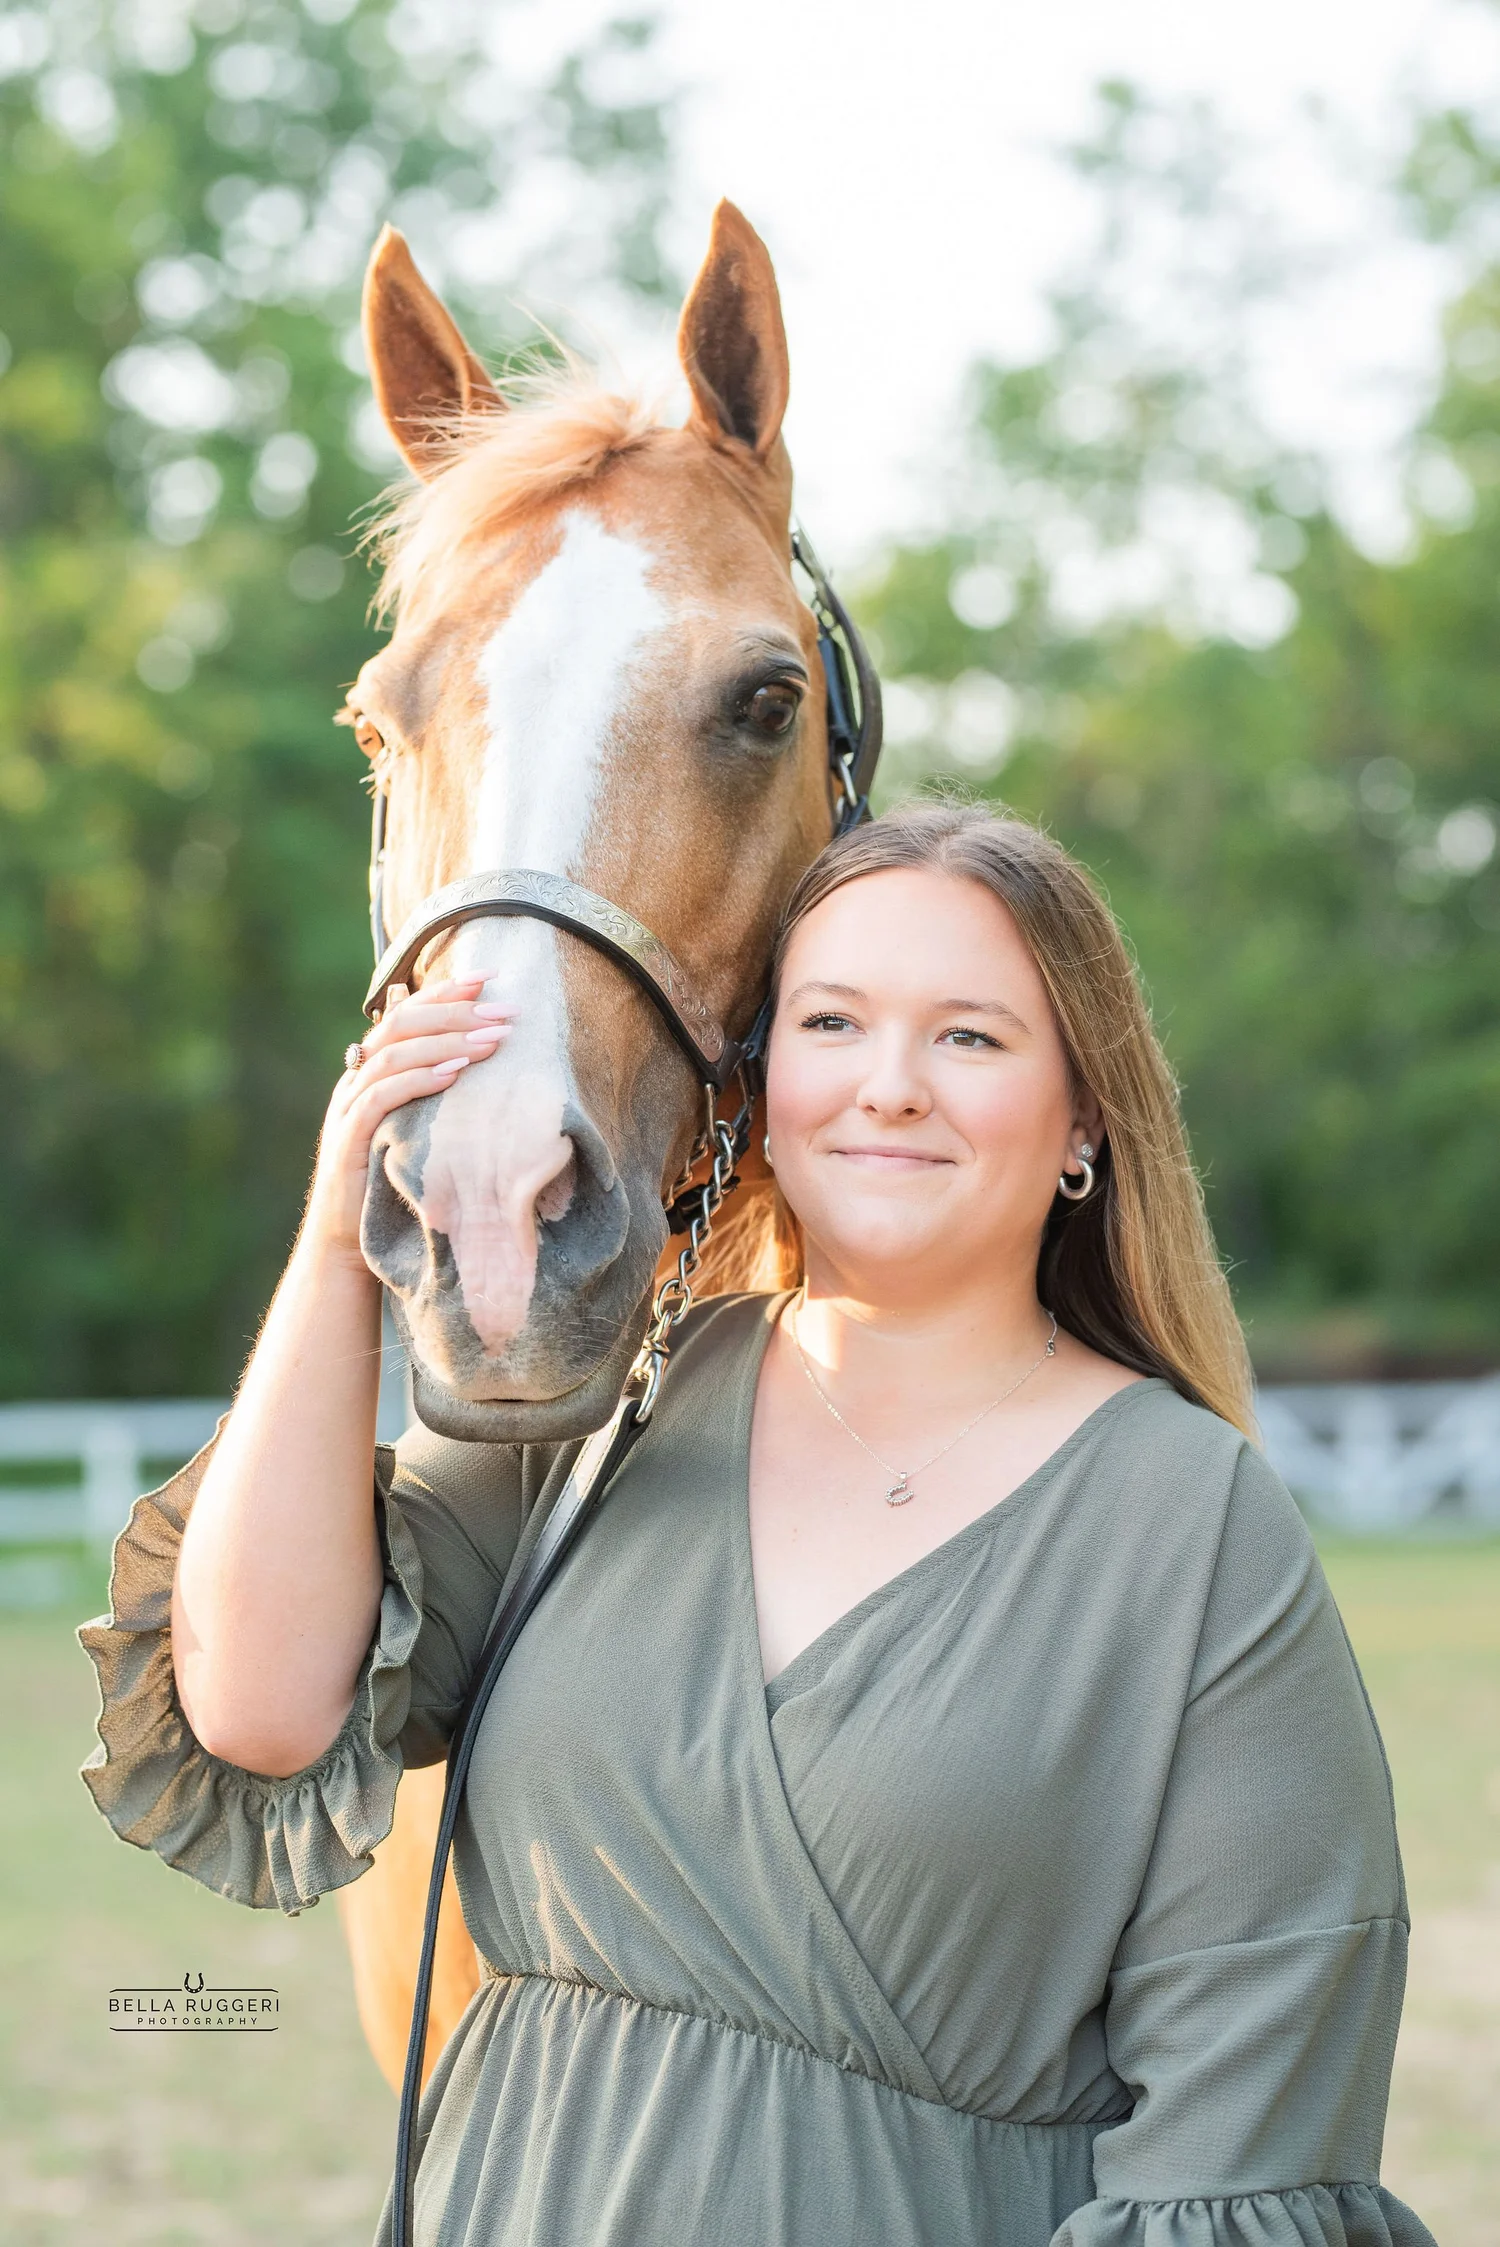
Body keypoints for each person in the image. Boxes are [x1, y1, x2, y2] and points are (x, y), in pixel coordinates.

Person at [80, 800, 1434, 2247]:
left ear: (1086, 1117)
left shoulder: (1192, 1524)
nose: (890, 1088)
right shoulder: (608, 1408)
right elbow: (262, 1705)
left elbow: (1243, 2160)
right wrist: (349, 1220)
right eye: (832, 1022)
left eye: (970, 1037)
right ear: (763, 1080)